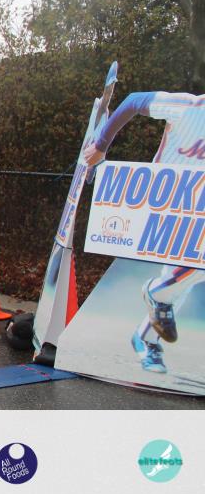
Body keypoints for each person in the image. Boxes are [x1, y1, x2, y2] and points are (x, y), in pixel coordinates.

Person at [83, 91, 205, 375]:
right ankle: (155, 294)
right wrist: (101, 145)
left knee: (178, 281)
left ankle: (145, 337)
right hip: (166, 202)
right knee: (184, 275)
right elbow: (134, 101)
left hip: (196, 211)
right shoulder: (189, 106)